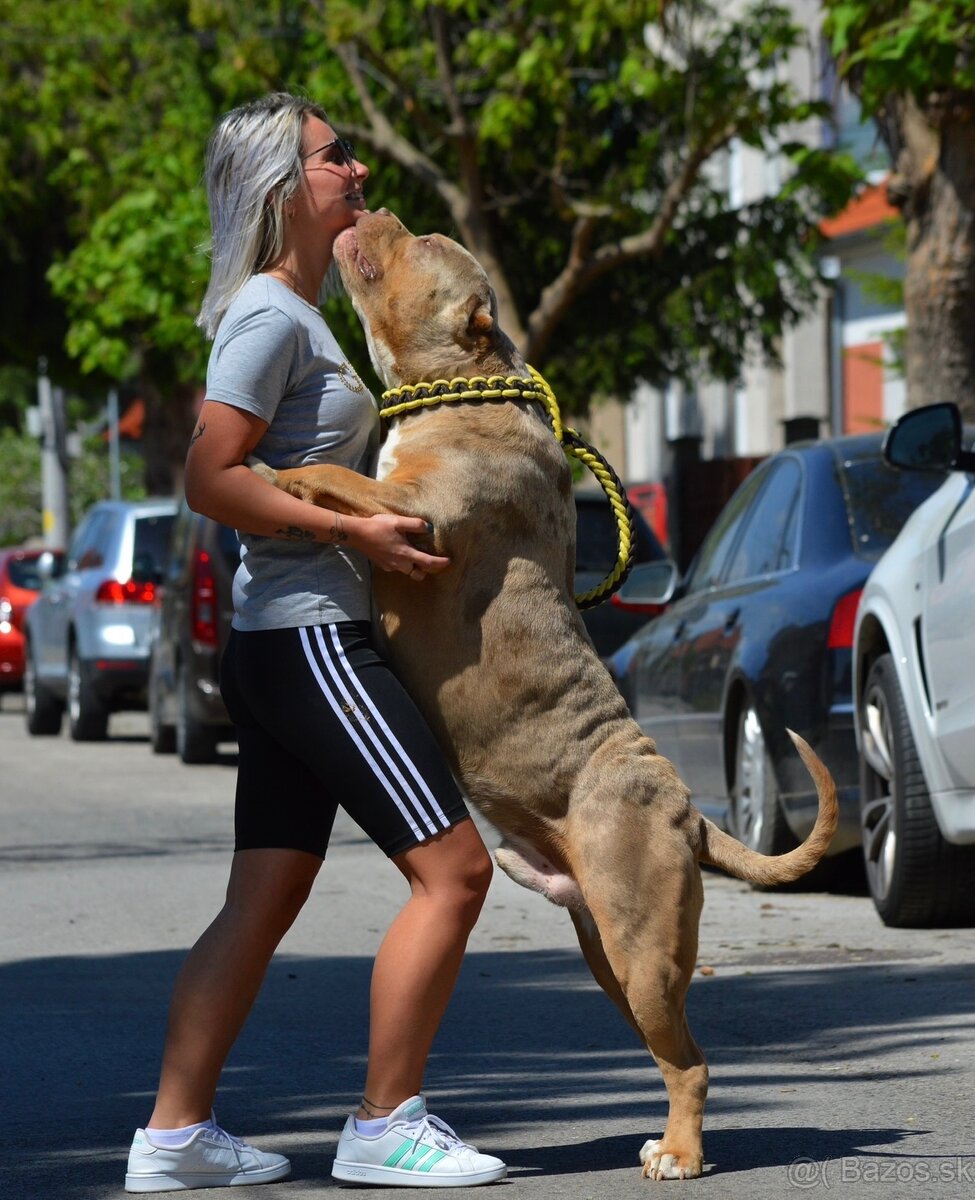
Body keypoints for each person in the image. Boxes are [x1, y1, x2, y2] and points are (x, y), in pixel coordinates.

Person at [124, 93, 506, 1193]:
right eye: (336, 158)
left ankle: (175, 1139)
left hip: (281, 641)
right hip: (312, 643)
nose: (358, 172)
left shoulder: (296, 313)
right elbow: (209, 476)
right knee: (456, 872)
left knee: (261, 900)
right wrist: (356, 531)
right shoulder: (267, 318)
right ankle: (386, 1123)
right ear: (282, 187)